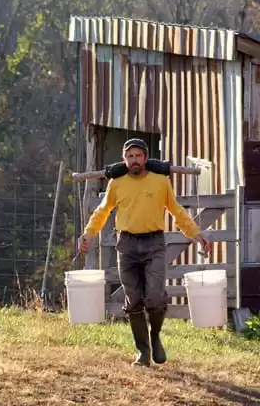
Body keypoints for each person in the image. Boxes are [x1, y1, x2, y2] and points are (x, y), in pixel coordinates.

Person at [78, 138, 211, 367]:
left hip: (154, 245)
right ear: (124, 160)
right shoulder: (117, 183)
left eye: (138, 156)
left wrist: (197, 234)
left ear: (146, 158)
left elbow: (177, 211)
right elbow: (102, 211)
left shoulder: (160, 181)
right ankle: (143, 351)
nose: (134, 160)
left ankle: (156, 336)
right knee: (134, 300)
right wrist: (88, 234)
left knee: (155, 297)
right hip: (127, 246)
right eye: (130, 156)